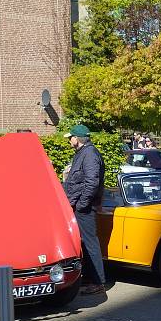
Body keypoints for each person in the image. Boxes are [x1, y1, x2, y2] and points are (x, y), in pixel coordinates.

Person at [63, 124, 106, 296]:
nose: (69, 140)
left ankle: (98, 282)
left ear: (77, 138)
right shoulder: (83, 152)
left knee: (90, 242)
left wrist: (82, 204)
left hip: (85, 207)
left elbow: (92, 182)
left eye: (70, 137)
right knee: (84, 243)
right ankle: (89, 278)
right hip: (80, 205)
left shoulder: (89, 154)